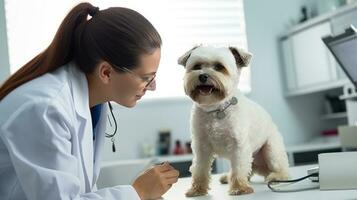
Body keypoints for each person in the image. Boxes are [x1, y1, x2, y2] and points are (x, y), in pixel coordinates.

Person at [0, 2, 179, 200]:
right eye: (146, 78)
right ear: (106, 72)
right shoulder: (45, 108)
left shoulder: (92, 102)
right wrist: (138, 192)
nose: (152, 86)